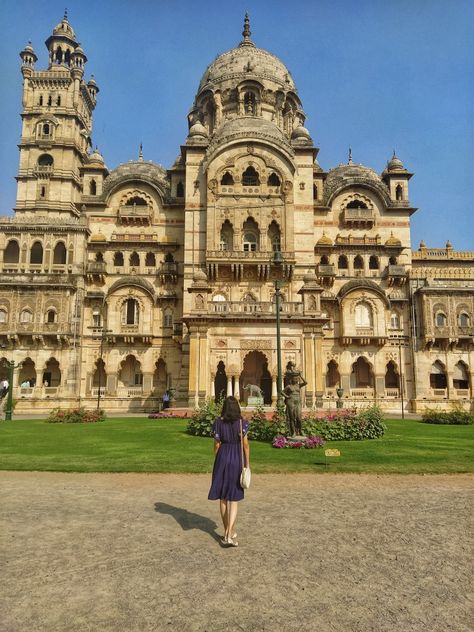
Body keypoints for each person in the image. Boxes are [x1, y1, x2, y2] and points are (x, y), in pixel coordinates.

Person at [208, 396, 250, 547]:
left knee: (223, 497)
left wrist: (218, 458)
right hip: (236, 458)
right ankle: (229, 532)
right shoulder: (242, 423)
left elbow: (217, 444)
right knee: (233, 498)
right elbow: (245, 445)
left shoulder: (218, 422)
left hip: (222, 457)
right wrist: (247, 464)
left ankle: (227, 531)